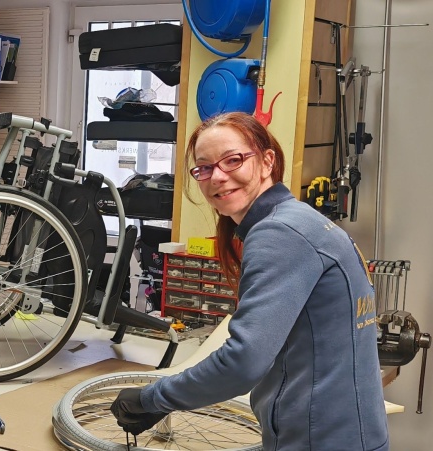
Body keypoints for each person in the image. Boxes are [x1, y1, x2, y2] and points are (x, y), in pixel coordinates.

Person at [111, 112, 388, 450]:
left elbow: (242, 362)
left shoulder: (280, 233)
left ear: (267, 161)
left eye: (233, 160)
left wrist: (153, 398)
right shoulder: (299, 220)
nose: (218, 177)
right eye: (204, 168)